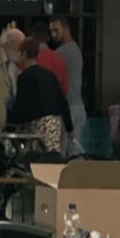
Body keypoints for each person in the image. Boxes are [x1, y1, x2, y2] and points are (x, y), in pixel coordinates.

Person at [10, 37, 72, 153]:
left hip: (36, 125)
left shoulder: (24, 77)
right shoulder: (49, 74)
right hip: (53, 124)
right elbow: (62, 101)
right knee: (52, 157)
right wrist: (69, 127)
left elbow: (22, 105)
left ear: (24, 54)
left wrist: (10, 121)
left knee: (35, 158)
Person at [49, 16, 85, 152]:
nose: (53, 34)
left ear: (66, 28)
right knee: (73, 151)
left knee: (62, 152)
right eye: (51, 31)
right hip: (77, 105)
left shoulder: (61, 53)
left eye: (56, 30)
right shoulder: (75, 49)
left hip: (68, 107)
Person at [32, 21, 68, 96]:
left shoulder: (28, 57)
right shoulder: (58, 57)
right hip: (52, 100)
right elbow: (64, 87)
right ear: (48, 38)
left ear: (32, 37)